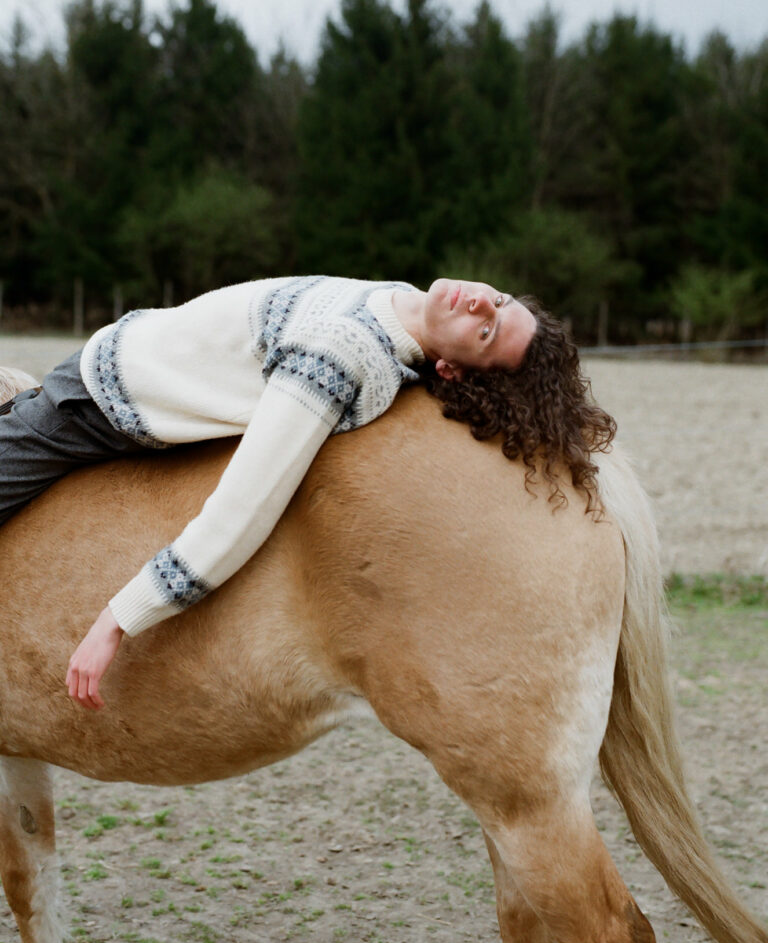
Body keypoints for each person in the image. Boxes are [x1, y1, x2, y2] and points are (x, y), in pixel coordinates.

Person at [0, 274, 615, 711]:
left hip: (93, 399)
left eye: (485, 331)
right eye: (498, 302)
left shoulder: (338, 357)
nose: (481, 302)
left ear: (449, 371)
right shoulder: (397, 301)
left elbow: (241, 514)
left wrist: (116, 621)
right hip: (134, 353)